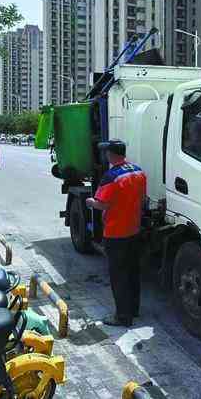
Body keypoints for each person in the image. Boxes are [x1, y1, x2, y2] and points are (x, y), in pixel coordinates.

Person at [86, 140, 147, 327]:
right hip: (134, 229)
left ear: (110, 155)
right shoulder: (138, 171)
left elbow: (103, 204)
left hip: (116, 233)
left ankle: (122, 316)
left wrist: (90, 202)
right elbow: (143, 198)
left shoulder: (111, 176)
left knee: (118, 275)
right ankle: (134, 309)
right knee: (133, 271)